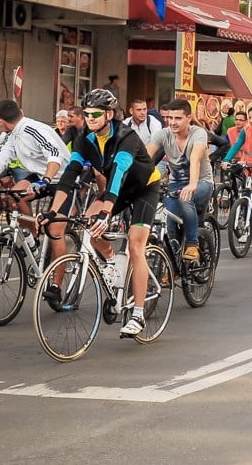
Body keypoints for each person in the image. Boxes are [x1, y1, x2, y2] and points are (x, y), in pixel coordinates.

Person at [45, 89, 161, 338]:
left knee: (135, 245)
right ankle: (111, 263)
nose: (90, 118)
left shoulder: (125, 136)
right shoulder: (84, 138)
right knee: (89, 223)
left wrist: (107, 210)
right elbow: (69, 175)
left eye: (95, 114)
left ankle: (138, 314)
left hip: (143, 188)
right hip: (115, 190)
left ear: (109, 114)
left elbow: (119, 171)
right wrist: (53, 211)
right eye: (86, 114)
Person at [0, 100, 71, 280]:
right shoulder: (13, 134)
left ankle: (55, 287)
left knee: (55, 231)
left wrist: (46, 180)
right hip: (40, 174)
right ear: (20, 112)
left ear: (1, 121)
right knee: (14, 196)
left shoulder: (33, 129)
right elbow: (1, 159)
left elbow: (54, 155)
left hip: (63, 177)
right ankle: (33, 239)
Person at [146, 99, 212, 263]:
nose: (172, 122)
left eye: (178, 118)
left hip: (201, 182)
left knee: (186, 198)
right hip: (175, 185)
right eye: (170, 118)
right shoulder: (164, 134)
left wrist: (192, 184)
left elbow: (195, 159)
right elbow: (145, 156)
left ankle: (192, 244)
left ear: (189, 118)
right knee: (169, 222)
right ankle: (173, 266)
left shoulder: (198, 133)